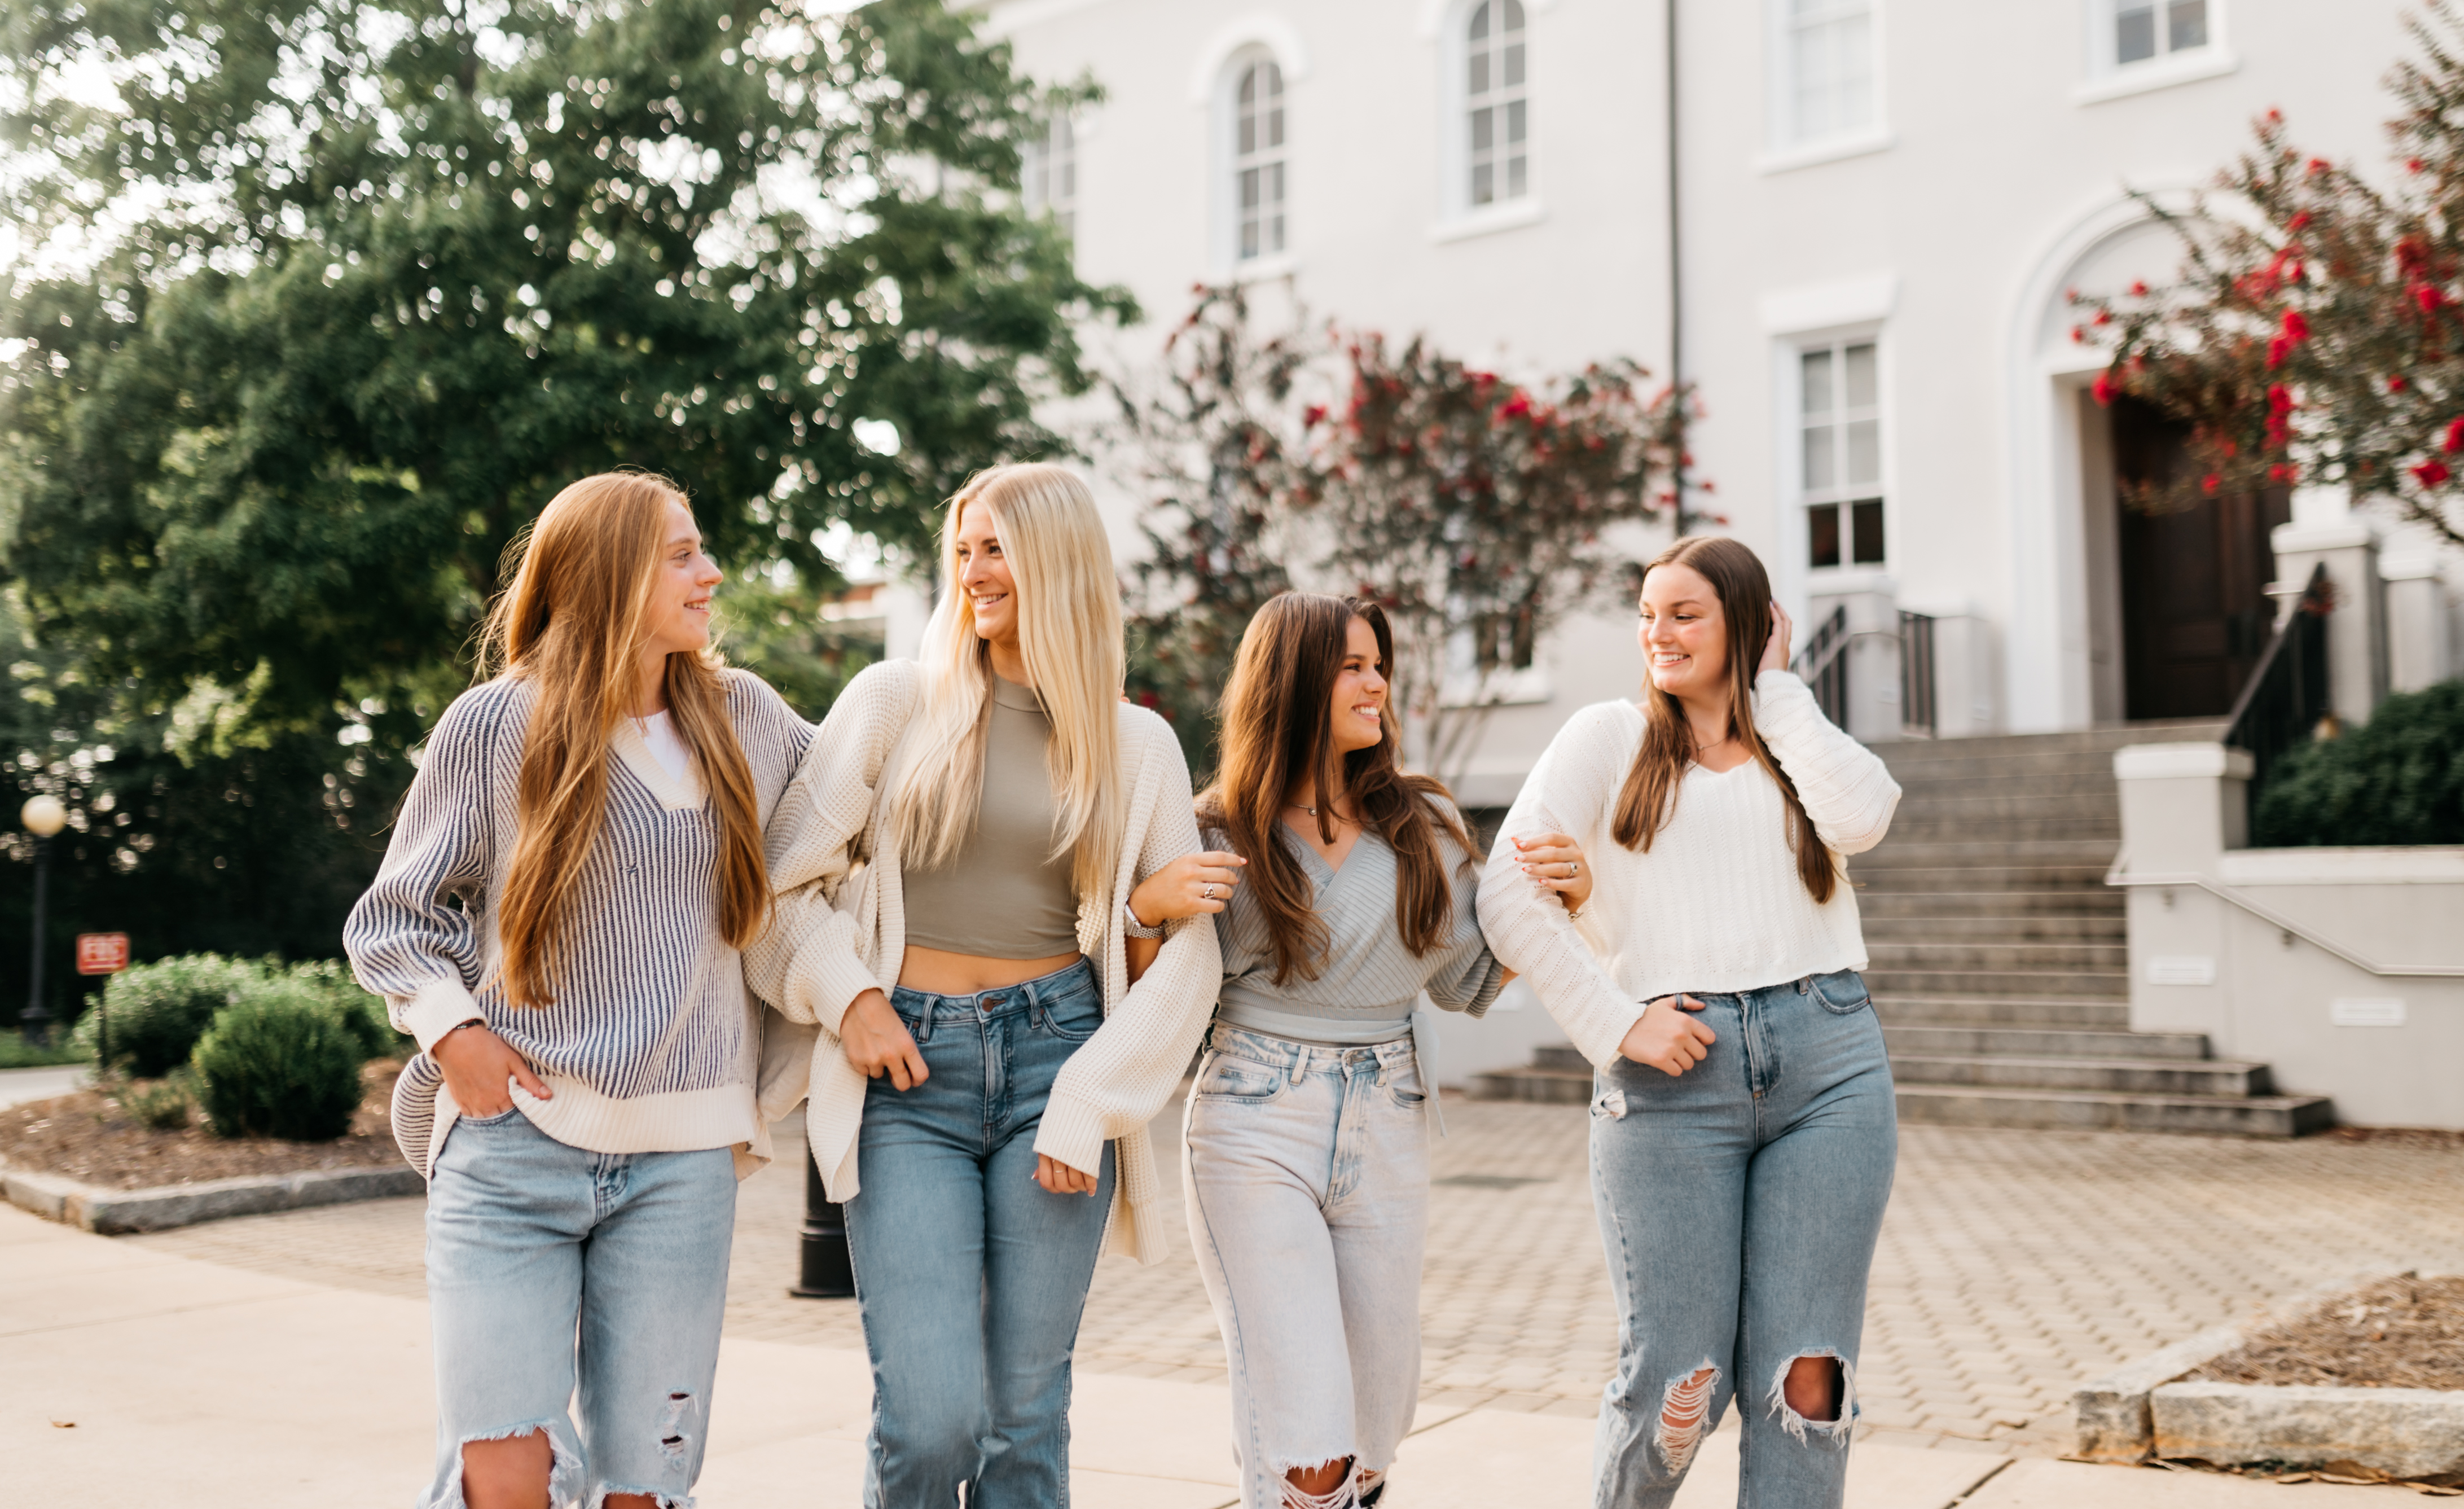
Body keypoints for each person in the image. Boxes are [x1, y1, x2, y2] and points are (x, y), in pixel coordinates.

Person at [746, 462, 1234, 1507]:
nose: (973, 570)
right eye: (963, 548)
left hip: (1057, 1064)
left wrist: (1089, 1101)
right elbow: (780, 880)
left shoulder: (1134, 743)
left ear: (1057, 560)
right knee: (931, 1421)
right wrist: (853, 997)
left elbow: (1189, 960)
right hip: (908, 1074)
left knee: (1024, 1422)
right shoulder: (892, 703)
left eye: (996, 546)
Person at [344, 471, 814, 1509]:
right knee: (499, 1471)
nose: (711, 573)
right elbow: (391, 915)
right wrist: (452, 1030)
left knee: (641, 1487)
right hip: (513, 1149)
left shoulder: (747, 719)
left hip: (681, 1163)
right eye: (682, 554)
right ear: (609, 576)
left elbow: (880, 808)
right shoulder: (494, 725)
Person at [1477, 534, 1903, 1509]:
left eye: (1685, 613)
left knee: (1808, 1378)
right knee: (1681, 1380)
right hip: (1673, 1083)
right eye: (1647, 612)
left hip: (1829, 1061)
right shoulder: (1605, 737)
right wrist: (1617, 1022)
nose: (1657, 633)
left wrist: (1779, 690)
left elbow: (1868, 815)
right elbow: (1507, 893)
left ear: (1745, 627)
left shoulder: (1795, 744)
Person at [1182, 592, 1587, 1509]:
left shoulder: (1422, 829)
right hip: (1253, 1118)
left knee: (1370, 1432)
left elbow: (1470, 978)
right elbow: (1161, 987)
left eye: (1380, 664)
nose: (1378, 683)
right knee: (1308, 1440)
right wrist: (1144, 909)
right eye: (1354, 665)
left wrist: (1565, 899)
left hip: (1389, 1112)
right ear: (1293, 681)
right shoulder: (1216, 832)